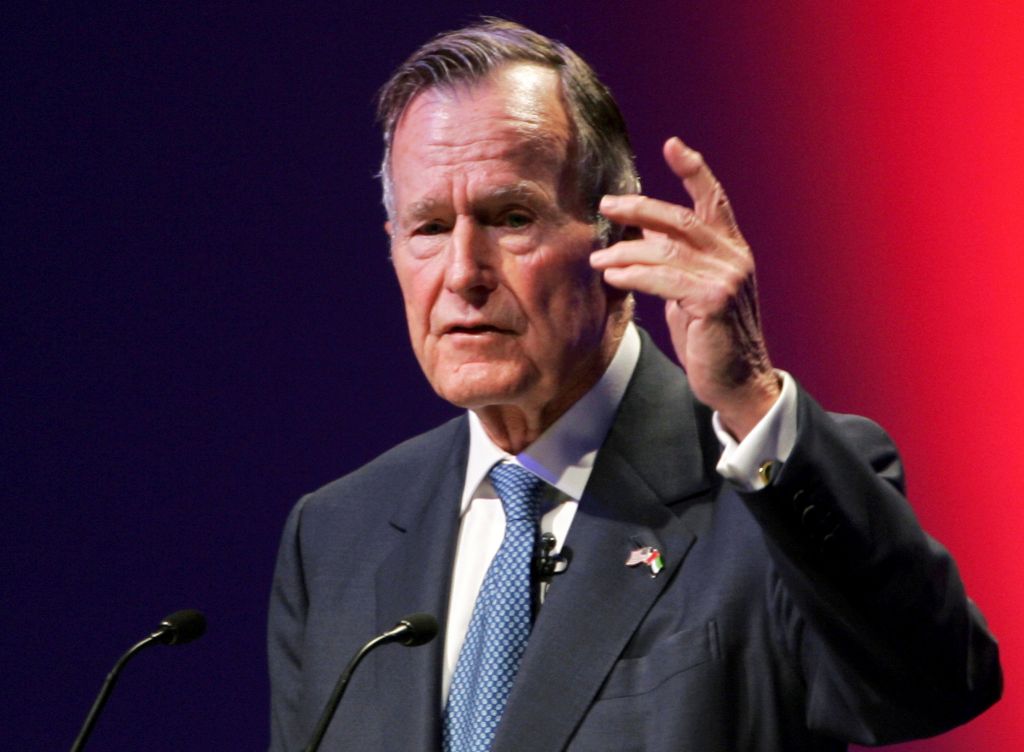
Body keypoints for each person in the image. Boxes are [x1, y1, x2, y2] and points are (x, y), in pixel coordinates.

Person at [268, 18, 1001, 752]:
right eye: (429, 227)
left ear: (617, 239)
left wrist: (749, 396)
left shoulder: (771, 491)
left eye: (511, 218)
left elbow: (934, 685)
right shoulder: (336, 537)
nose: (463, 273)